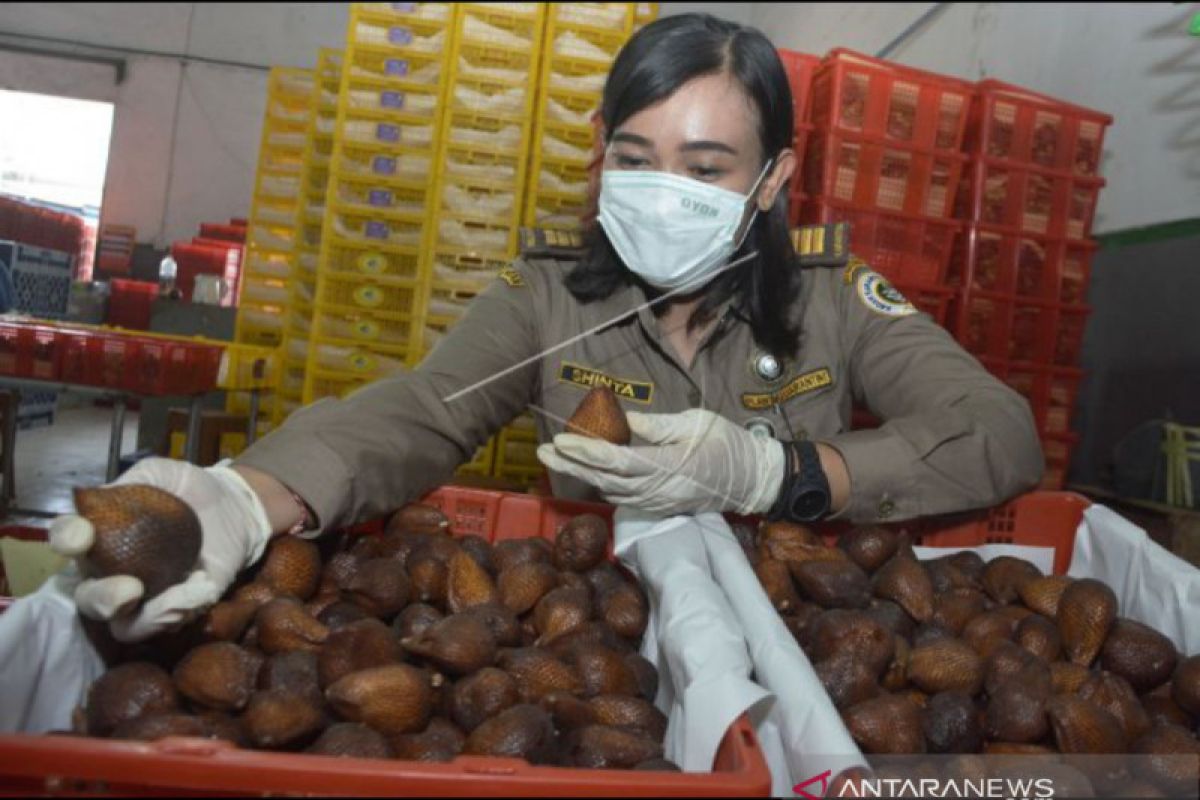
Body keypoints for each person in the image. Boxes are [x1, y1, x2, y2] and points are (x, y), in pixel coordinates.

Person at [47, 13, 1043, 643]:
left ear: (775, 178)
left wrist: (774, 473)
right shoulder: (549, 295)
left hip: (802, 630)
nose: (664, 192)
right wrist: (250, 495)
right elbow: (419, 412)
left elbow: (998, 432)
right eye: (635, 157)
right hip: (590, 637)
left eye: (706, 170)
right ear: (601, 159)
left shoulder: (832, 295)